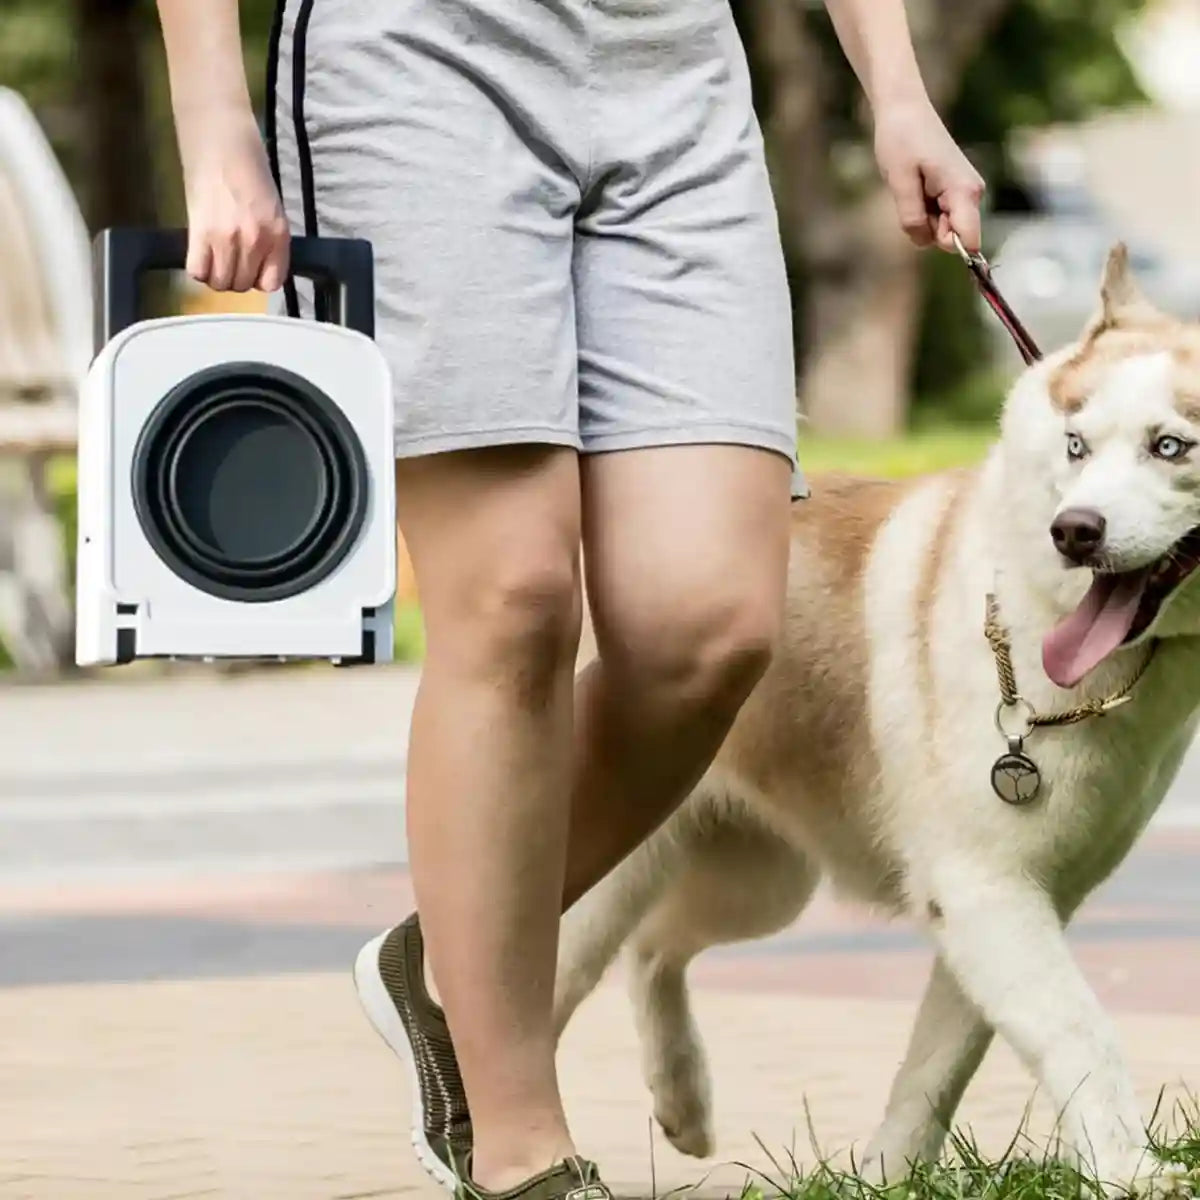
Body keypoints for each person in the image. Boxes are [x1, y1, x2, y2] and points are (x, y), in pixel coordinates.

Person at [155, 0, 984, 1196]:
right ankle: (519, 1144)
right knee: (515, 600)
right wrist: (213, 115)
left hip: (678, 69)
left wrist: (896, 87)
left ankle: (443, 965)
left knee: (708, 629)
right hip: (413, 63)